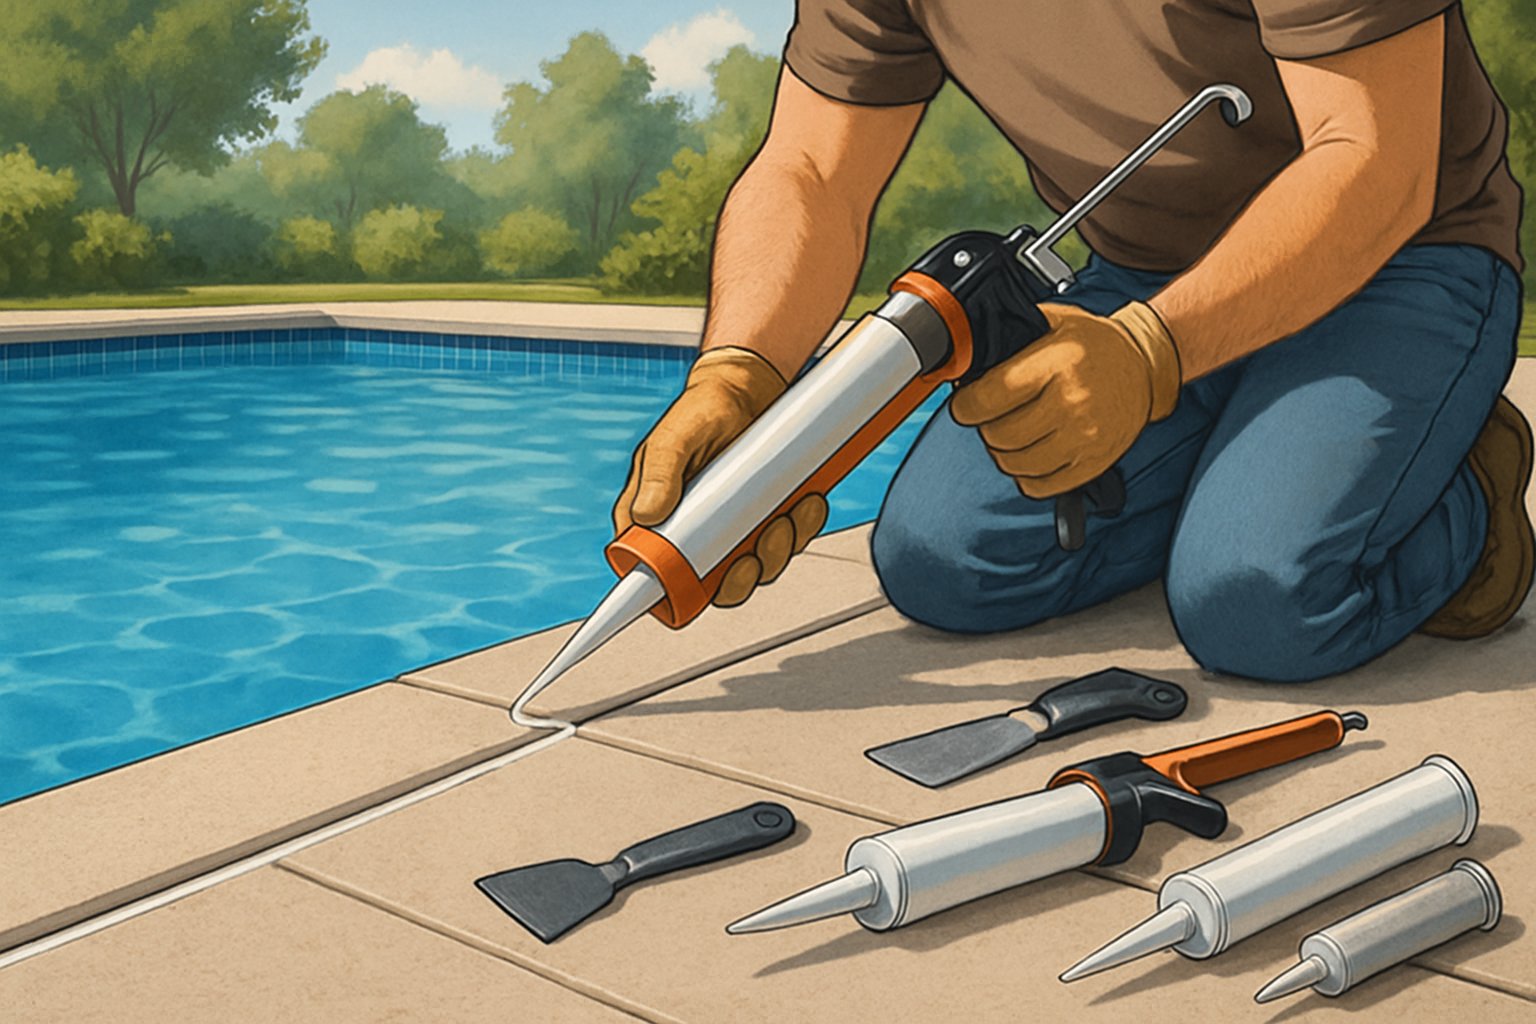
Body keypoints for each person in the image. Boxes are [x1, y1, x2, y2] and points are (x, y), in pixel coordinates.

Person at [613, 1, 1530, 683]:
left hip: (1403, 263)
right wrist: (738, 375)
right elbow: (812, 167)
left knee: (1258, 607)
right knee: (946, 564)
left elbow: (1376, 156)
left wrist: (1147, 357)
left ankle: (1468, 494)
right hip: (1138, 276)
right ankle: (1246, 464)